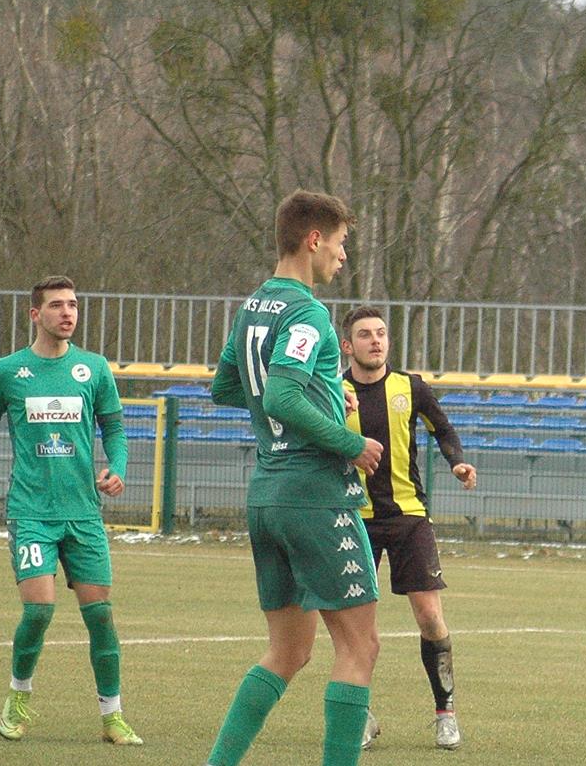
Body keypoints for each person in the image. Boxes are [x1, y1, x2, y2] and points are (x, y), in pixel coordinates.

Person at [205, 190, 385, 766]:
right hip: (314, 495)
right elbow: (282, 394)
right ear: (314, 240)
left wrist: (323, 402)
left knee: (288, 652)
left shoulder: (254, 306)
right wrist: (349, 440)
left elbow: (227, 387)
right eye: (340, 243)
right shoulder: (307, 313)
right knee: (360, 648)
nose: (342, 255)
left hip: (267, 495)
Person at [0, 276, 143, 745]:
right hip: (31, 513)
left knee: (101, 616)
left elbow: (116, 428)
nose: (68, 313)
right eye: (57, 305)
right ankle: (18, 697)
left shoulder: (94, 368)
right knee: (39, 611)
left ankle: (113, 716)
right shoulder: (8, 371)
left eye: (73, 305)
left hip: (83, 514)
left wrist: (118, 466)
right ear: (34, 314)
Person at [341, 305, 477, 752]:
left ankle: (446, 713)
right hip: (354, 517)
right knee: (356, 628)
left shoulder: (410, 386)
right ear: (348, 345)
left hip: (408, 516)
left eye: (381, 333)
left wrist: (457, 460)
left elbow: (444, 429)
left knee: (430, 616)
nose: (375, 341)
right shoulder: (333, 391)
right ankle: (360, 714)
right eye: (365, 335)